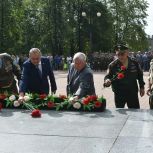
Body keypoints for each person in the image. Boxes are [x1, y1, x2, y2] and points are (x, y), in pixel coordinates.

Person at [104, 44, 145, 108]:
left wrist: (142, 87)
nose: (120, 56)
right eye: (118, 55)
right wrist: (107, 81)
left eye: (122, 54)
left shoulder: (135, 63)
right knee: (120, 114)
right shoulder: (112, 65)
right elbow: (108, 76)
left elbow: (140, 75)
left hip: (132, 92)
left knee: (135, 113)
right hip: (119, 93)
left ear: (127, 52)